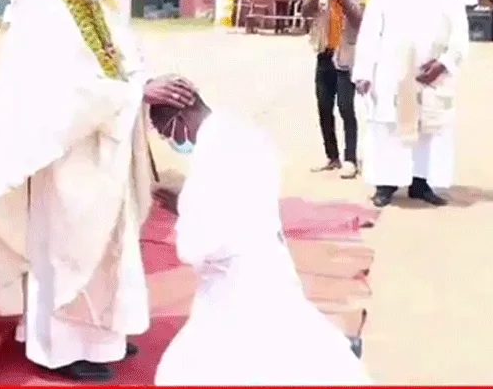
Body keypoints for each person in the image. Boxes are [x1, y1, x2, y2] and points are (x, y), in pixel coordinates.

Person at [0, 0, 198, 382]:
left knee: (109, 244)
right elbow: (51, 89)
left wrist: (148, 82)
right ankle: (59, 350)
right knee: (64, 250)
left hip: (103, 141)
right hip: (62, 151)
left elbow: (119, 58)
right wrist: (135, 92)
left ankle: (103, 333)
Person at [148, 95, 371, 386]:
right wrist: (185, 206)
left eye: (167, 133)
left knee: (189, 369)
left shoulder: (208, 160)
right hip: (270, 259)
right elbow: (237, 201)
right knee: (289, 333)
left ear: (181, 117)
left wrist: (185, 214)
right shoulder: (241, 130)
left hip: (233, 281)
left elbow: (197, 245)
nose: (172, 142)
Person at [352, 0, 469, 208]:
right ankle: (385, 184)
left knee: (428, 129)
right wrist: (364, 73)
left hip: (431, 75)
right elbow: (370, 34)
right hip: (392, 74)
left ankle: (422, 183)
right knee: (388, 128)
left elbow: (460, 36)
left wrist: (443, 63)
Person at [301, 0, 367, 179]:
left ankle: (350, 159)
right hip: (324, 53)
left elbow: (361, 23)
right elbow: (305, 12)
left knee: (346, 108)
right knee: (323, 107)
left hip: (347, 57)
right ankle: (332, 157)